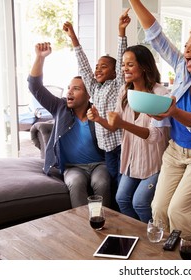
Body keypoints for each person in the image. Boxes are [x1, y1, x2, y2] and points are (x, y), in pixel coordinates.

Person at [128, 0, 191, 238]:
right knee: (158, 208)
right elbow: (156, 37)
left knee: (178, 212)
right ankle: (165, 258)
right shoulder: (183, 69)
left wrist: (173, 112)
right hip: (174, 152)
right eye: (186, 46)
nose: (186, 51)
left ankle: (186, 257)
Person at [28, 42, 111, 208]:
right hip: (72, 167)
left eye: (76, 89)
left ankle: (104, 221)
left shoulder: (98, 112)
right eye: (68, 88)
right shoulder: (60, 107)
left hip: (99, 165)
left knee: (102, 183)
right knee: (75, 182)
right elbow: (35, 87)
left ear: (88, 94)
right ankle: (80, 226)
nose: (69, 92)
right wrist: (39, 57)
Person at [63, 9, 130, 208]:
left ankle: (121, 218)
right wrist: (73, 38)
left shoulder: (118, 83)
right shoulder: (94, 87)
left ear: (114, 71)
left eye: (103, 67)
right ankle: (106, 215)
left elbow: (120, 59)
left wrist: (121, 32)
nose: (97, 69)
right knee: (110, 185)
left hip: (120, 145)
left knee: (120, 186)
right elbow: (83, 66)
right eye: (97, 66)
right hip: (106, 150)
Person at [105, 45, 170, 223]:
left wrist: (122, 123)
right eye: (123, 64)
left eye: (130, 64)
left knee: (140, 203)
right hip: (132, 161)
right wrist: (97, 118)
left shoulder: (160, 94)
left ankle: (156, 235)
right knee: (121, 199)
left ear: (144, 66)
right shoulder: (124, 92)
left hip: (154, 163)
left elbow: (155, 135)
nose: (125, 68)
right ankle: (137, 236)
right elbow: (114, 126)